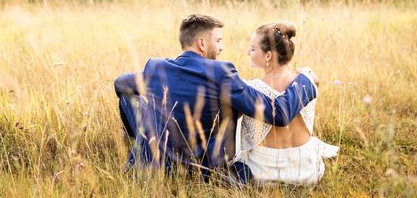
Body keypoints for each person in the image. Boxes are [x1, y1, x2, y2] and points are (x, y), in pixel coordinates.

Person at [114, 14, 319, 183]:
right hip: (204, 169)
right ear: (201, 43)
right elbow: (278, 114)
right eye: (218, 41)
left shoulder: (157, 67)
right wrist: (305, 81)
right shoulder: (222, 73)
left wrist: (153, 110)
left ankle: (143, 149)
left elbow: (120, 84)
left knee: (127, 98)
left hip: (159, 162)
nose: (221, 47)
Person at [235, 21, 339, 185]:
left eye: (253, 48)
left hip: (262, 171)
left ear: (268, 56)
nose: (248, 52)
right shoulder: (308, 80)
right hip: (305, 170)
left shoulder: (250, 89)